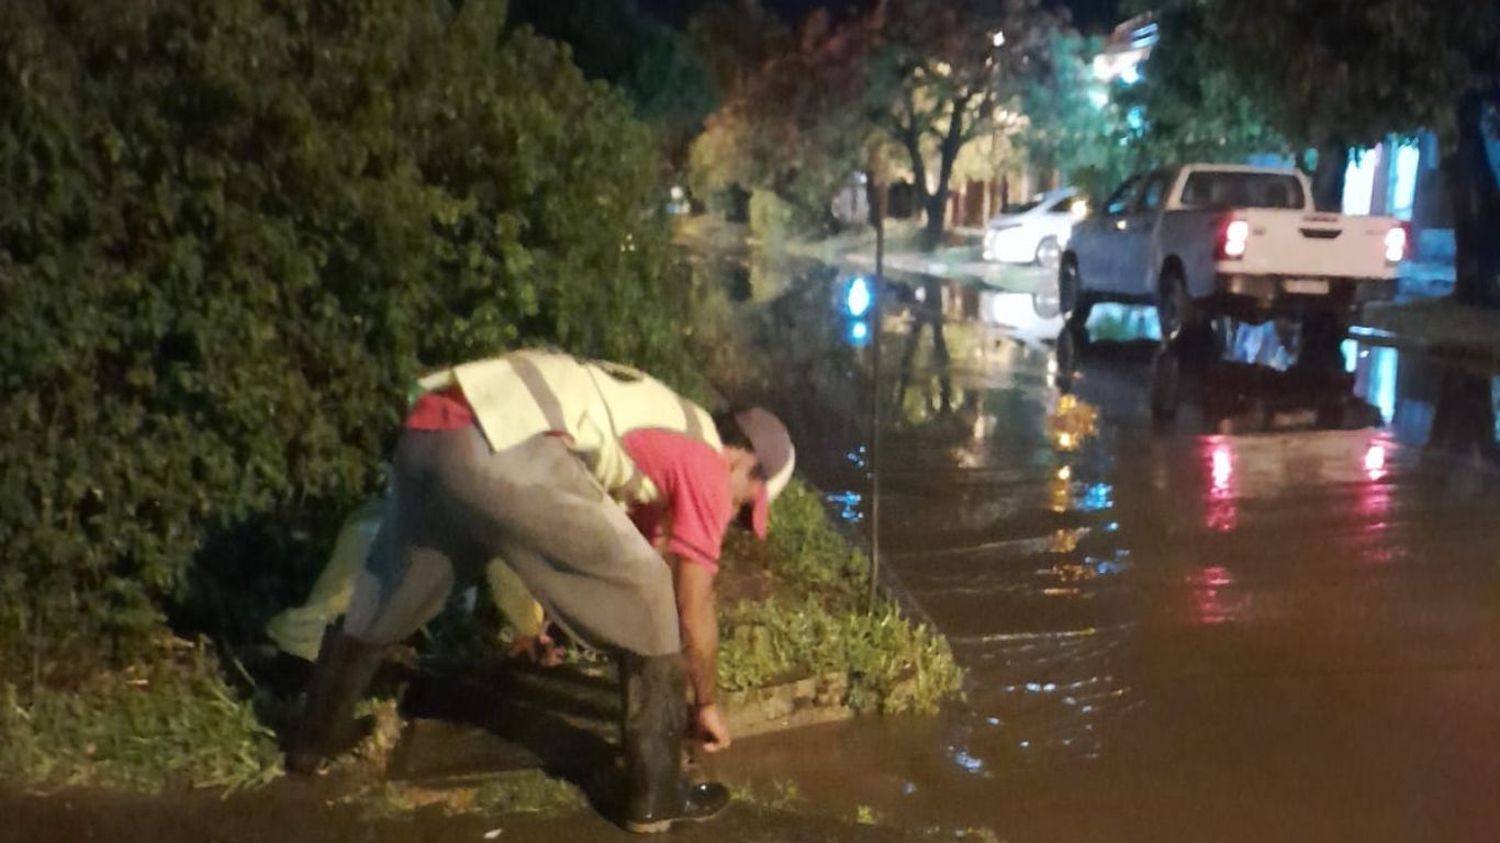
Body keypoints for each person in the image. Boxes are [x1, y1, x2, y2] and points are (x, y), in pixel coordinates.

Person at [286, 349, 794, 834]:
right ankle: (658, 793)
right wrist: (705, 702)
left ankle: (316, 738)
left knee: (395, 590)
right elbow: (689, 600)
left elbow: (600, 551)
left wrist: (555, 617)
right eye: (745, 507)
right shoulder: (705, 461)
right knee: (654, 592)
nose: (735, 520)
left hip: (431, 428)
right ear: (742, 460)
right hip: (505, 443)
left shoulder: (662, 423)